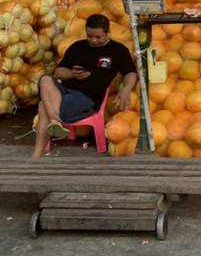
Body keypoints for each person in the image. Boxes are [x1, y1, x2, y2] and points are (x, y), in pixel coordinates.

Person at [32, 14, 137, 159]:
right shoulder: (77, 47)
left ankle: (37, 154)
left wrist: (126, 89)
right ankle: (55, 120)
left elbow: (130, 72)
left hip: (87, 98)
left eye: (98, 37)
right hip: (65, 91)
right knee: (45, 79)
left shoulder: (118, 51)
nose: (93, 40)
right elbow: (58, 72)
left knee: (43, 107)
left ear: (108, 33)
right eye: (90, 36)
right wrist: (72, 74)